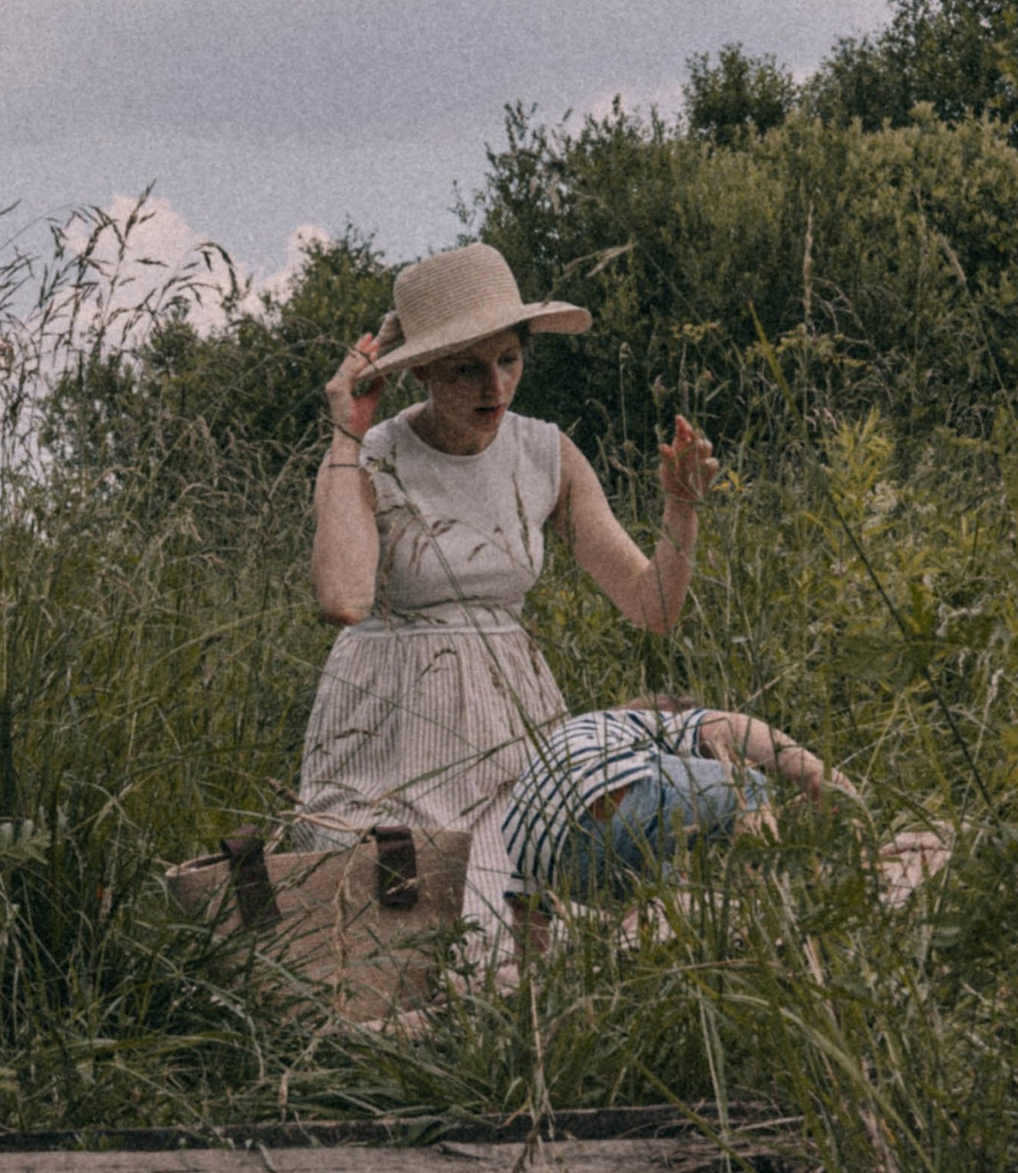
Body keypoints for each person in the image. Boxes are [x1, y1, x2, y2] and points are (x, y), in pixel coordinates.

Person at [296, 240, 717, 959]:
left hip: (510, 725)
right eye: (467, 368)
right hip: (387, 729)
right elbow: (341, 598)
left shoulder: (545, 452)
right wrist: (347, 431)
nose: (496, 386)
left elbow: (651, 608)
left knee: (527, 926)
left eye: (509, 360)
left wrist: (682, 511)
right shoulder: (372, 457)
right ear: (421, 370)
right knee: (411, 935)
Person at [498, 700, 832, 909]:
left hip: (550, 857)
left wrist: (532, 980)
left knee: (664, 896)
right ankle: (767, 913)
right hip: (608, 794)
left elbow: (524, 898)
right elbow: (729, 726)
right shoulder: (645, 724)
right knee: (750, 787)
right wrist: (814, 774)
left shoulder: (564, 750)